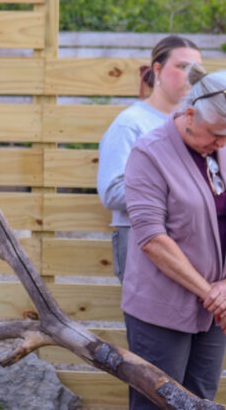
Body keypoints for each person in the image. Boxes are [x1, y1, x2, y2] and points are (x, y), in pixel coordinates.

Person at [122, 65, 226, 409]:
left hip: (214, 310)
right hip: (162, 309)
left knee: (200, 399)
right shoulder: (149, 153)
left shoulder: (221, 146)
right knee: (158, 403)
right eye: (216, 134)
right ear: (191, 114)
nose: (221, 143)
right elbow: (152, 238)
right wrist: (212, 293)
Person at [97, 36, 202, 282]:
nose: (191, 76)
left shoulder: (199, 125)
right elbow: (111, 192)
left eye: (196, 70)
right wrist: (178, 192)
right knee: (150, 320)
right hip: (140, 242)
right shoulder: (130, 124)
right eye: (182, 67)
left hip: (188, 245)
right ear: (157, 70)